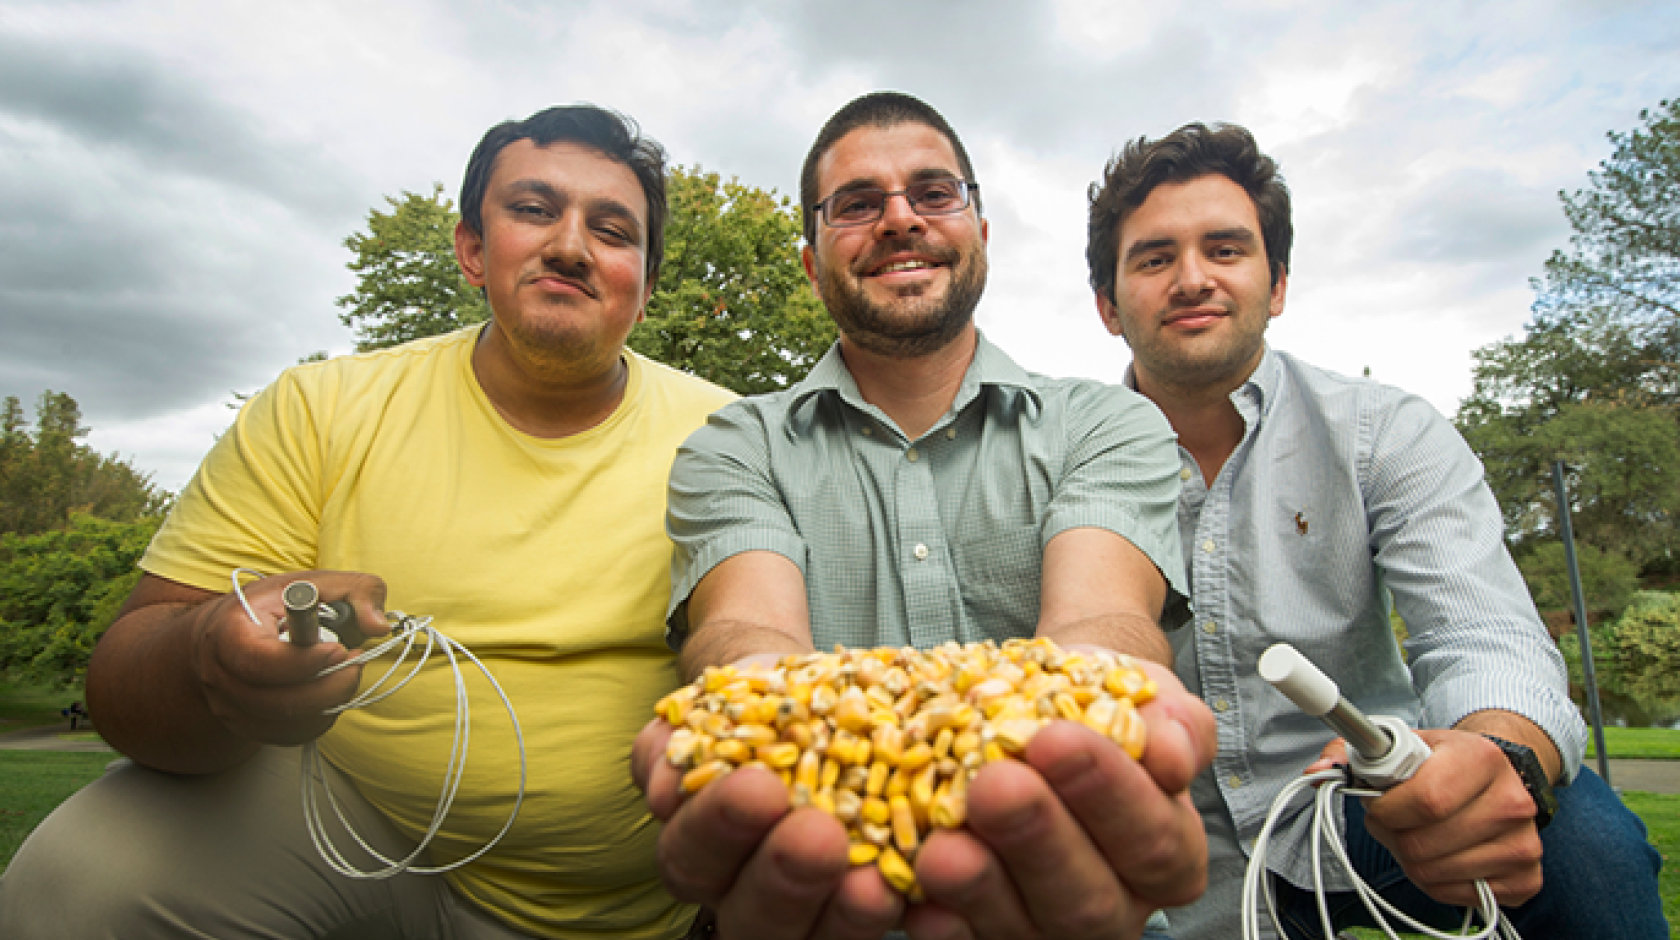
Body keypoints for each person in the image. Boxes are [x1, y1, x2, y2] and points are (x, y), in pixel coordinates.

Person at [0, 104, 736, 940]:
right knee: (82, 877)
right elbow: (125, 683)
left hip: (615, 906)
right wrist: (210, 654)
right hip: (344, 828)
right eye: (533, 210)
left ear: (645, 285)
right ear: (471, 250)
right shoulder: (320, 409)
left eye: (612, 230)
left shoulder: (733, 435)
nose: (570, 245)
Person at [631, 91, 1217, 940]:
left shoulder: (1107, 423)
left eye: (934, 194)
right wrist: (748, 702)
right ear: (810, 264)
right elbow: (748, 631)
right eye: (856, 204)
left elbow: (1101, 618)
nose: (901, 219)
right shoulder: (735, 444)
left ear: (981, 232)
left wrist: (1098, 691)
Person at [1084, 121, 1669, 939]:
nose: (1192, 279)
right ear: (1109, 307)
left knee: (1586, 846)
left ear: (1276, 285)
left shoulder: (1384, 431)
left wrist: (1497, 758)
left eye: (1226, 249)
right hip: (1175, 837)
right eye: (1154, 259)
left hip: (1366, 793)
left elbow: (1481, 631)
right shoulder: (1068, 457)